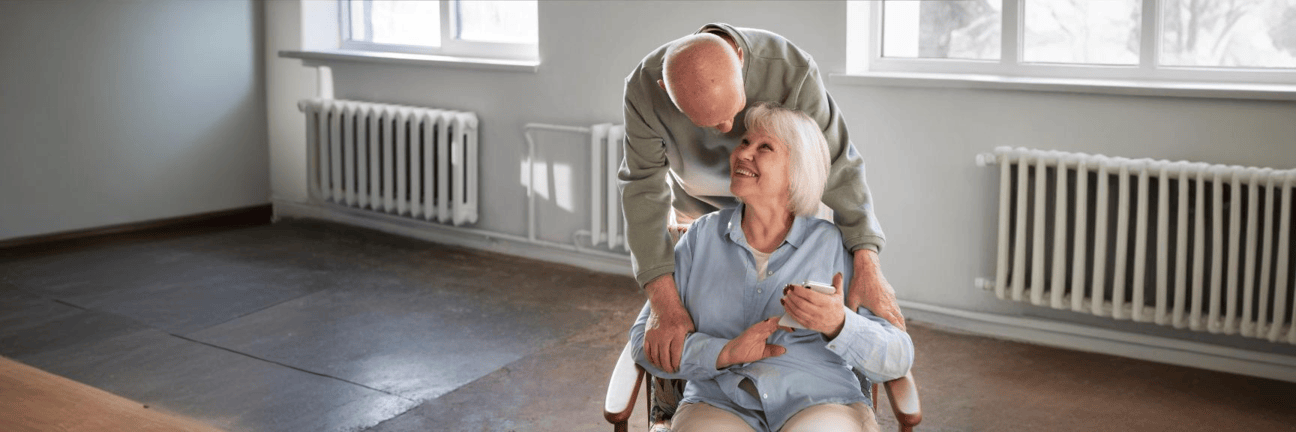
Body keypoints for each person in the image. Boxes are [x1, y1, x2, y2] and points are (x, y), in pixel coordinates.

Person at [621, 24, 905, 381]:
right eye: (705, 122)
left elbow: (837, 167)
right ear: (666, 91)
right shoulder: (645, 89)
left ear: (740, 61)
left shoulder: (792, 70)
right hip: (695, 214)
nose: (727, 131)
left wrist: (867, 261)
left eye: (733, 112)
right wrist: (666, 308)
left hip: (785, 209)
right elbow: (642, 189)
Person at [628, 103, 913, 432]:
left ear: (797, 171)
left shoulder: (836, 246)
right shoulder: (699, 239)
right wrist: (724, 352)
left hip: (821, 401)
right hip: (717, 401)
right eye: (745, 143)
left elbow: (898, 356)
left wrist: (840, 324)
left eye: (765, 147)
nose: (743, 154)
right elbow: (643, 342)